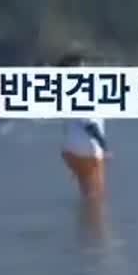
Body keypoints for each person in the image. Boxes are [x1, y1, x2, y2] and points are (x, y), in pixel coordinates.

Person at [57, 55, 107, 202]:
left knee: (87, 194)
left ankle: (84, 223)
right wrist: (105, 146)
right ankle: (90, 223)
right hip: (88, 149)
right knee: (96, 197)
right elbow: (89, 123)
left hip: (70, 149)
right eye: (83, 67)